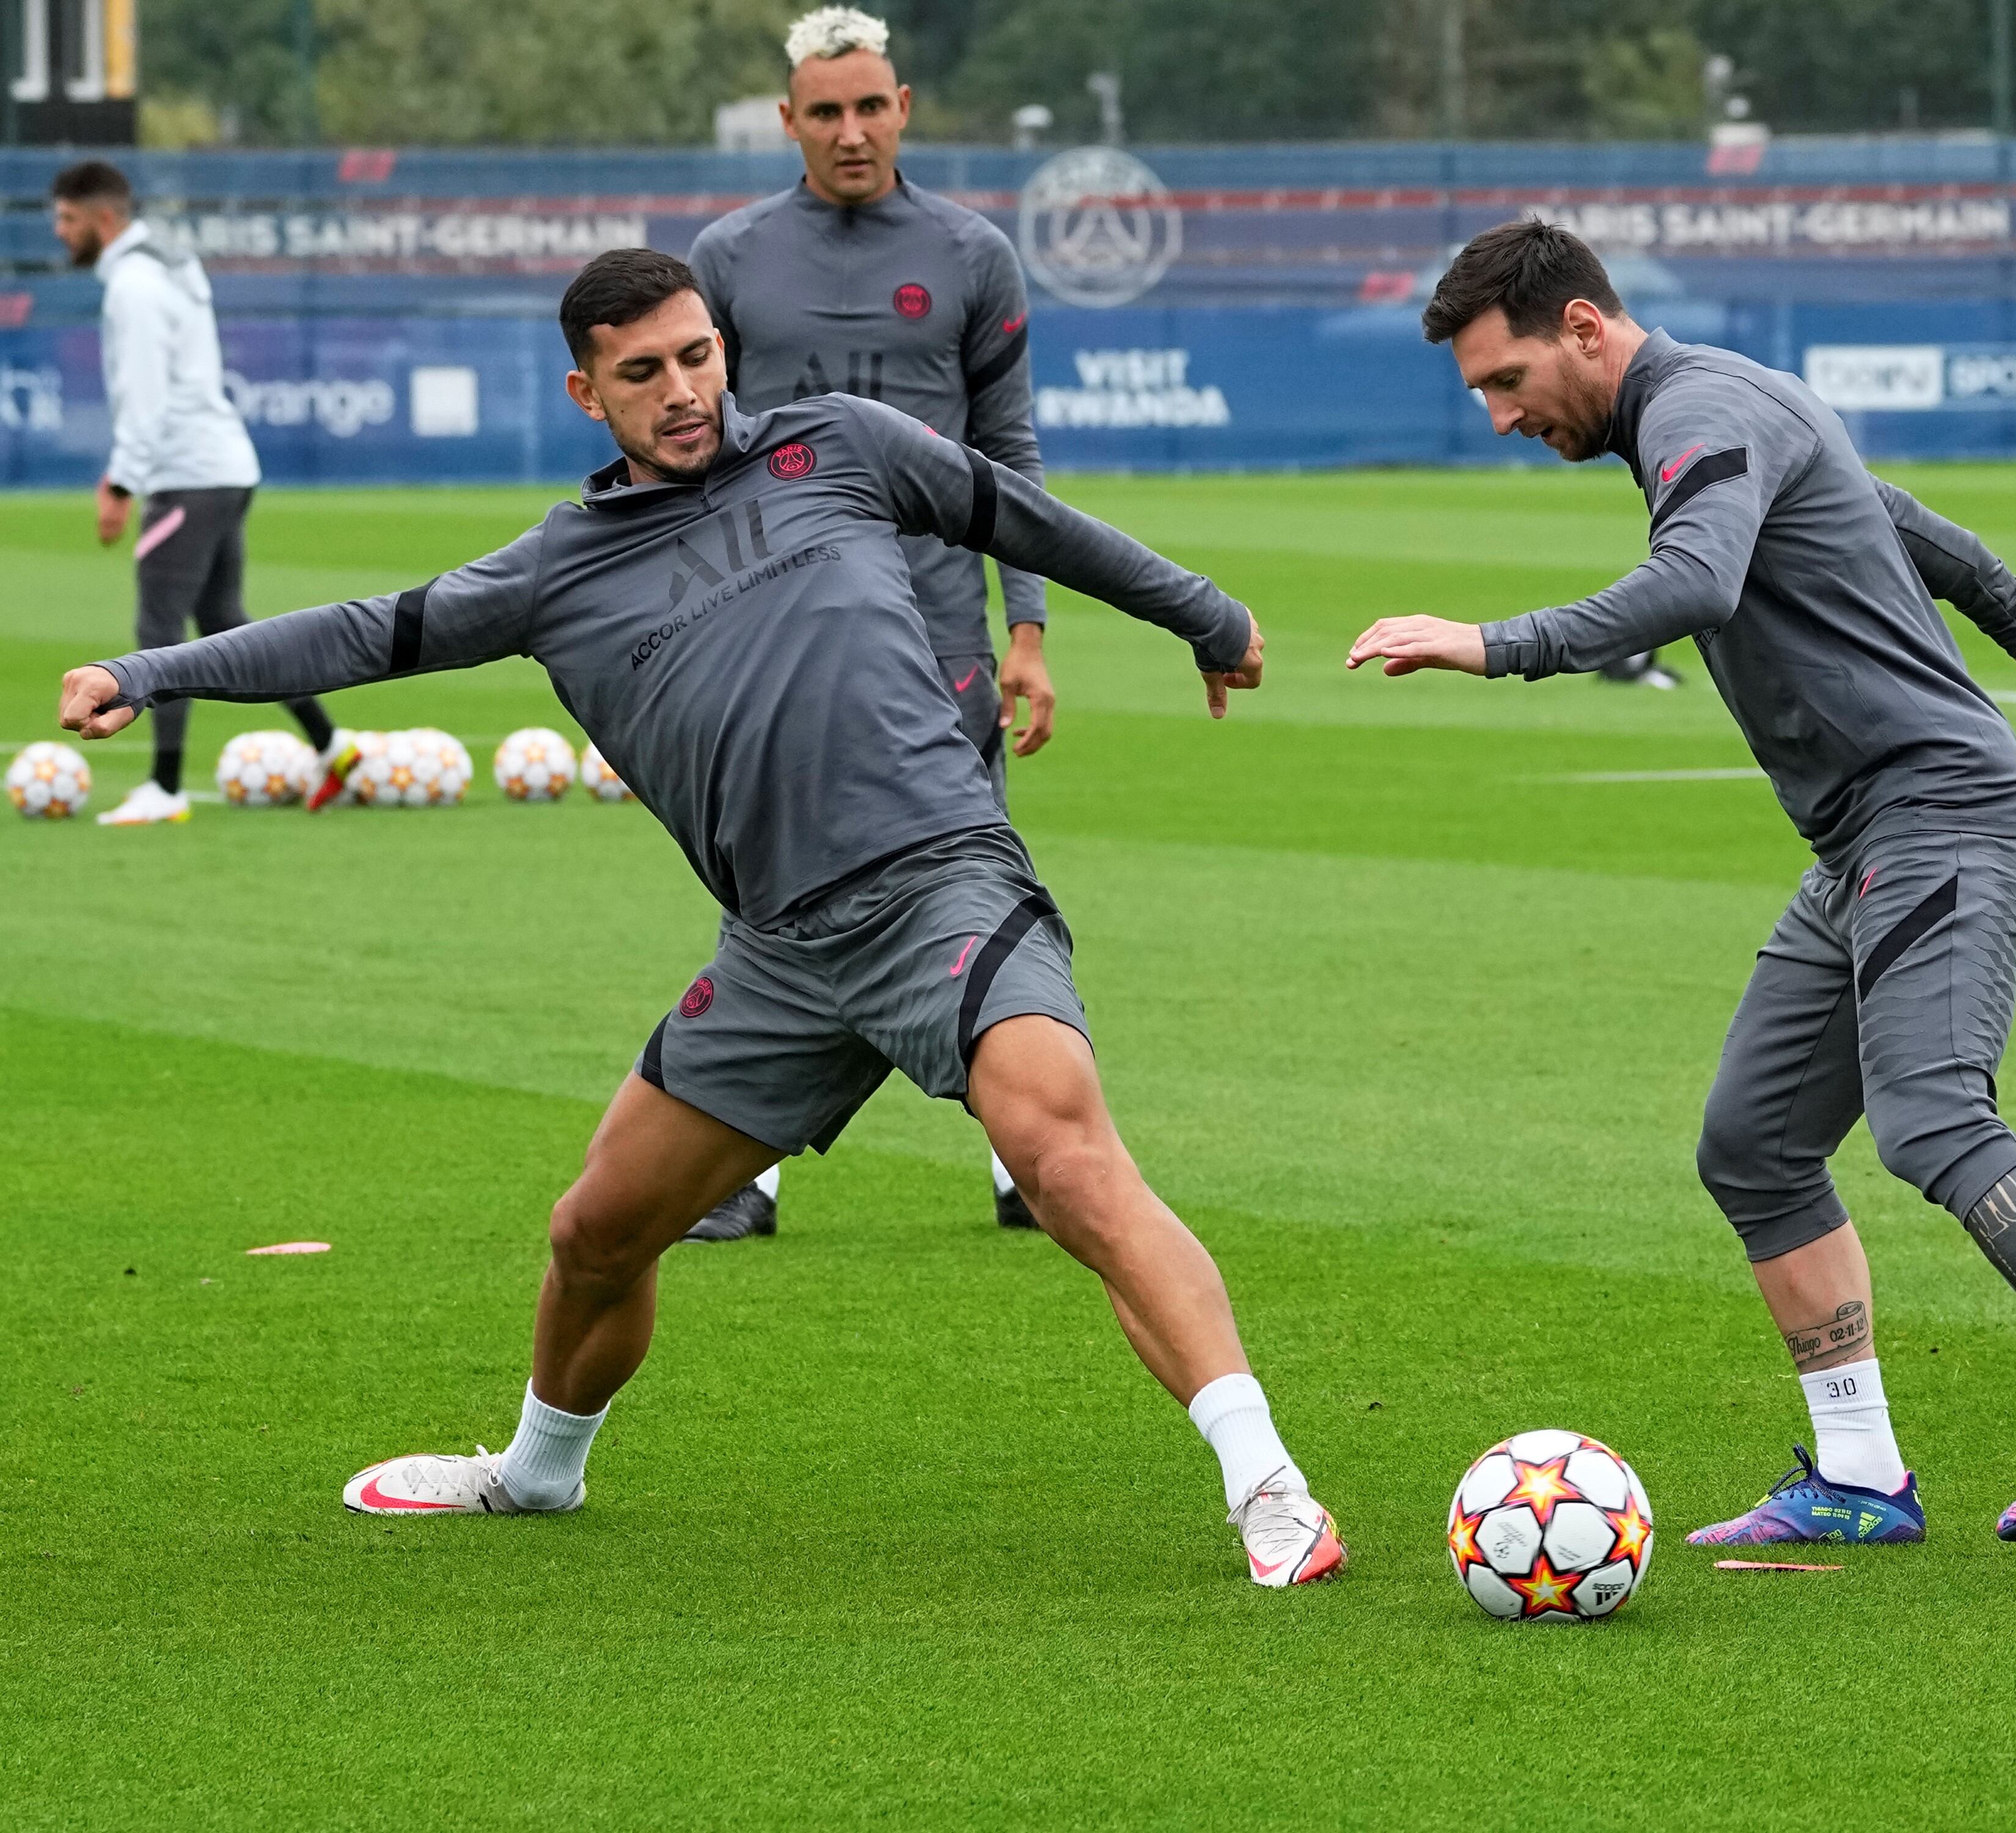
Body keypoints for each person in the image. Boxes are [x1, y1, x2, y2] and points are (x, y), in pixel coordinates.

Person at [55, 247, 1345, 1589]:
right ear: (585, 391)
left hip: (944, 885)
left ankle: (1272, 1491)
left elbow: (1020, 516)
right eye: (642, 373)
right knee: (594, 1234)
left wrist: (1203, 614)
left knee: (1068, 1161)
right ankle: (538, 1474)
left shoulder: (840, 446)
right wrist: (147, 672)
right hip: (781, 954)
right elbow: (361, 633)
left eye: (695, 356)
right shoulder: (553, 570)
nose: (682, 390)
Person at [1349, 220, 2016, 1546]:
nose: (1499, 416)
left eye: (1505, 381)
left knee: (1930, 1118)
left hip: (1942, 818)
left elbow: (1695, 582)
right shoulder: (1721, 403)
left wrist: (1491, 642)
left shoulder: (1697, 408)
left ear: (1583, 327)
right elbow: (1895, 514)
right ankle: (1862, 1476)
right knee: (1753, 1147)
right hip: (1866, 844)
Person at [682, 6, 1055, 1241]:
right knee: (771, 873)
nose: (851, 130)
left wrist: (1030, 629)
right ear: (788, 120)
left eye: (870, 106)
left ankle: (1028, 1160)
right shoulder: (728, 259)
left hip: (937, 619)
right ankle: (740, 1172)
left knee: (977, 865)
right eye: (824, 112)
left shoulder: (971, 253)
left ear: (905, 108)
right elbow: (693, 452)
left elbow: (1007, 452)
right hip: (772, 620)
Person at [48, 159, 348, 825]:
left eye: (68, 220)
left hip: (187, 474)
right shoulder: (167, 264)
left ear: (103, 218)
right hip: (221, 467)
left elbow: (151, 399)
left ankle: (164, 788)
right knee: (223, 626)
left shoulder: (135, 285)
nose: (60, 234)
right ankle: (334, 746)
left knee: (158, 628)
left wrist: (122, 483)